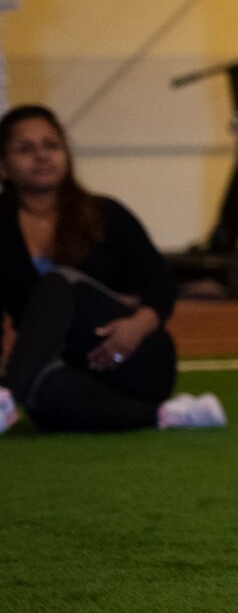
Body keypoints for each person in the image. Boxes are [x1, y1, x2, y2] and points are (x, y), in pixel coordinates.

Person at [0, 104, 224, 434]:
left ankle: (7, 396)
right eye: (25, 149)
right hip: (65, 365)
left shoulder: (105, 213)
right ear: (3, 167)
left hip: (134, 357)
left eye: (51, 145)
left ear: (67, 154)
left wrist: (138, 325)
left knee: (60, 281)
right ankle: (169, 415)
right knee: (43, 393)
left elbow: (161, 280)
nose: (41, 156)